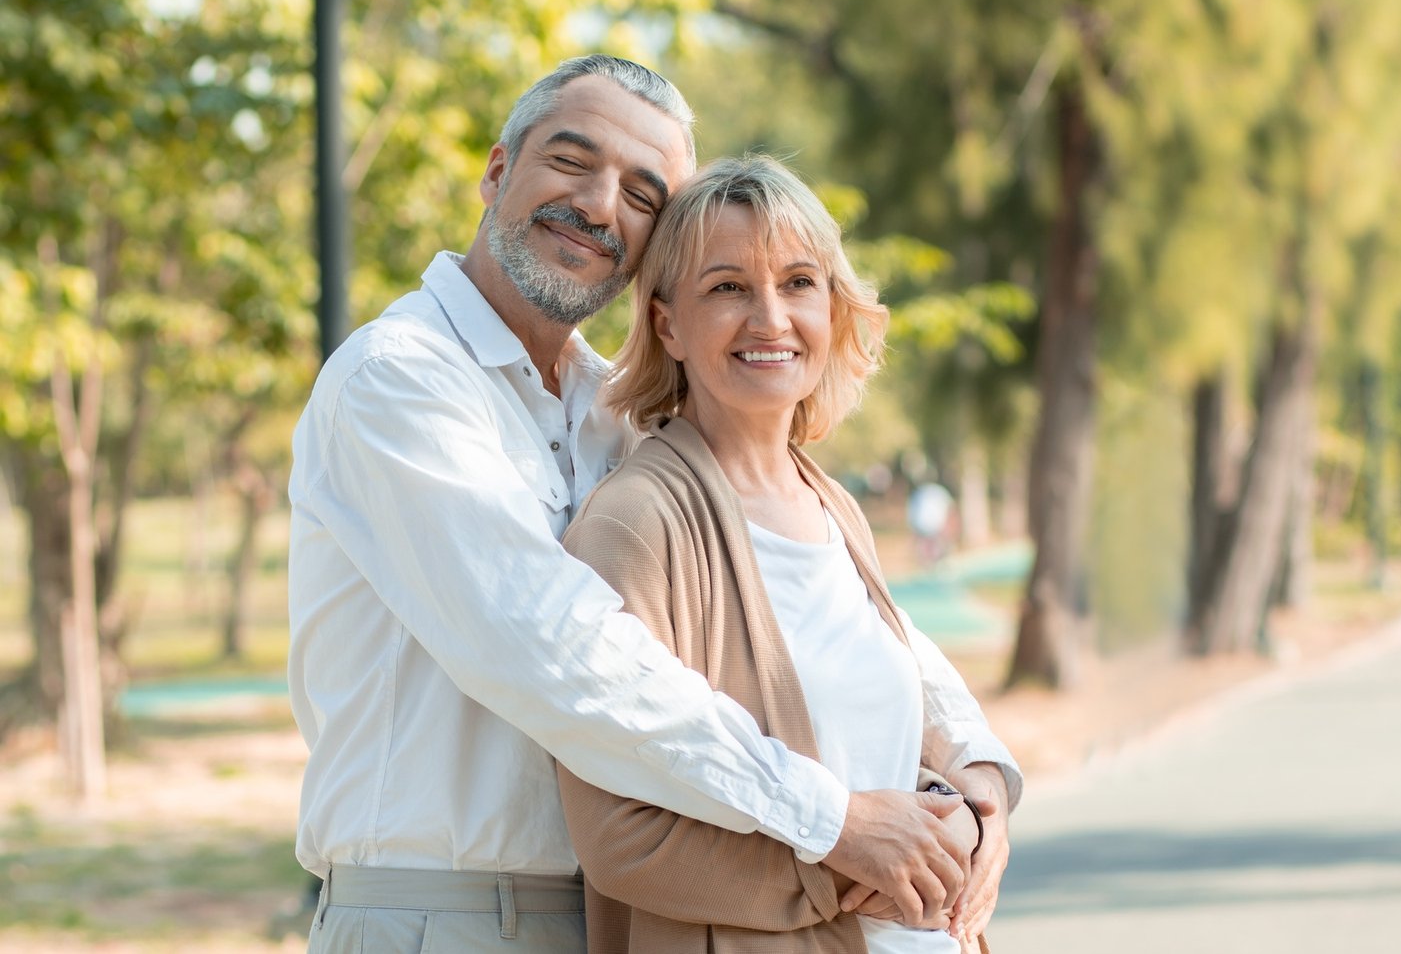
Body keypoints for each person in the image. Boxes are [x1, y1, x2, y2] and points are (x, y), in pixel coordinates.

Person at [287, 54, 1020, 953]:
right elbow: (563, 651)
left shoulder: (615, 419)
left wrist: (970, 755)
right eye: (570, 160)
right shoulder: (397, 381)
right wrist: (830, 820)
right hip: (443, 914)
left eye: (642, 193)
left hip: (612, 917)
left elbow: (834, 613)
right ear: (496, 168)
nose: (599, 205)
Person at [555, 154, 1017, 953]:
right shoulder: (637, 524)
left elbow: (886, 743)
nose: (770, 317)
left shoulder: (832, 505)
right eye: (729, 286)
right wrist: (846, 867)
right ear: (668, 322)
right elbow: (620, 838)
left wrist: (975, 812)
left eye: (799, 282)